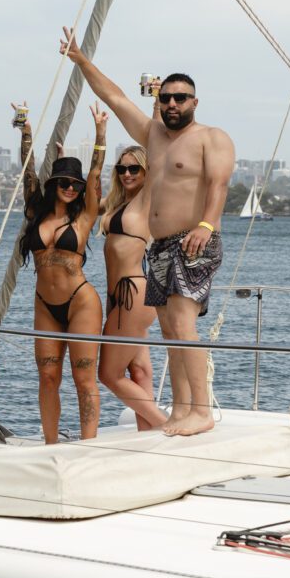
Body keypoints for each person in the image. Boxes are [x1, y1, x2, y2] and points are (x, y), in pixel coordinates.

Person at [60, 26, 235, 436]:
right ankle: (180, 411)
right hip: (159, 248)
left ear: (195, 101)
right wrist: (81, 59)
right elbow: (116, 97)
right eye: (166, 98)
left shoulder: (212, 138)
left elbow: (218, 186)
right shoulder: (153, 136)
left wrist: (206, 226)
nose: (172, 103)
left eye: (180, 97)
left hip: (196, 238)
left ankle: (201, 411)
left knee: (184, 326)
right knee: (171, 331)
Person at [14, 101, 105, 443]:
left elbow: (95, 174)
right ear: (54, 183)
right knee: (48, 377)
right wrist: (25, 130)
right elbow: (27, 170)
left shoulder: (83, 217)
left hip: (81, 302)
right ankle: (49, 442)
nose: (71, 188)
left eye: (76, 185)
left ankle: (88, 444)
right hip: (44, 304)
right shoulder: (35, 213)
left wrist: (100, 133)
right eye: (65, 182)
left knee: (84, 379)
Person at [98, 144, 167, 430]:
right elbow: (82, 199)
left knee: (109, 374)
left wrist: (154, 104)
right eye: (121, 168)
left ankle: (166, 425)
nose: (127, 173)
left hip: (132, 292)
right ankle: (149, 437)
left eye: (134, 168)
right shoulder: (117, 202)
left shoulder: (146, 199)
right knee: (139, 371)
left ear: (146, 171)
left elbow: (158, 149)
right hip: (120, 296)